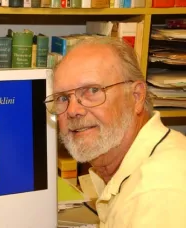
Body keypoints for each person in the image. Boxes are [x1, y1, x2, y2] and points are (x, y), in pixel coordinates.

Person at [44, 36, 186, 228]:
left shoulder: (155, 196)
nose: (72, 110)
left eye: (92, 90)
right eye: (62, 98)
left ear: (136, 96)